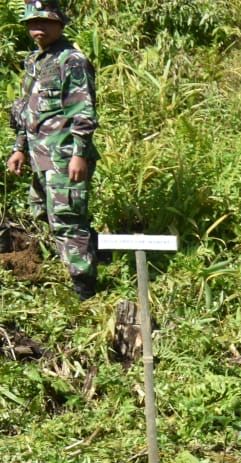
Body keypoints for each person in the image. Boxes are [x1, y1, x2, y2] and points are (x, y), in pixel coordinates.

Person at [6, 0, 98, 300]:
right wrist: (19, 149)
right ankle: (89, 252)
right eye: (32, 23)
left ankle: (85, 289)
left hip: (64, 156)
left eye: (44, 22)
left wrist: (79, 154)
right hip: (39, 154)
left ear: (60, 23)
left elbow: (83, 112)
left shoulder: (72, 61)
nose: (38, 28)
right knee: (47, 213)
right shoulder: (35, 61)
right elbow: (26, 110)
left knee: (67, 217)